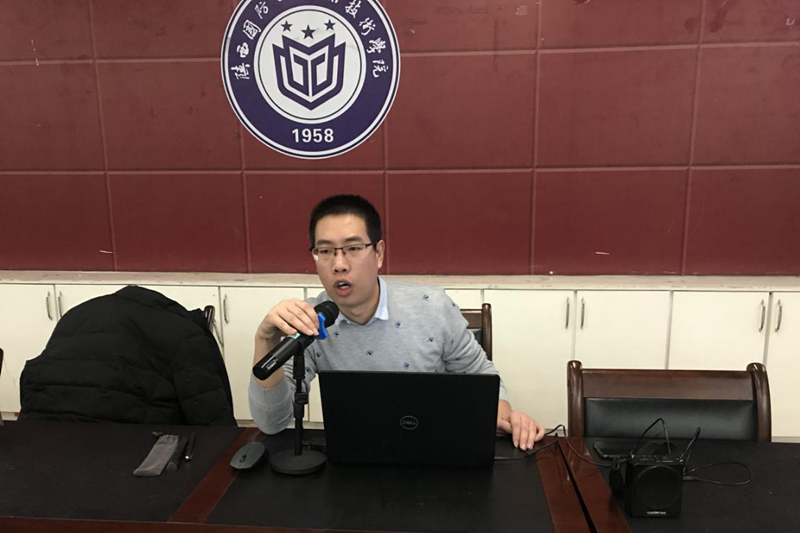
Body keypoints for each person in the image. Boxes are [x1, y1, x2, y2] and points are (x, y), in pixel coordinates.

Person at [249, 195, 545, 450]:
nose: (339, 264)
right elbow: (272, 424)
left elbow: (480, 375)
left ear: (378, 253)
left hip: (435, 450)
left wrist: (504, 418)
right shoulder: (311, 321)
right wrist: (265, 339)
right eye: (325, 251)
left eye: (353, 248)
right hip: (354, 457)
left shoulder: (432, 306)